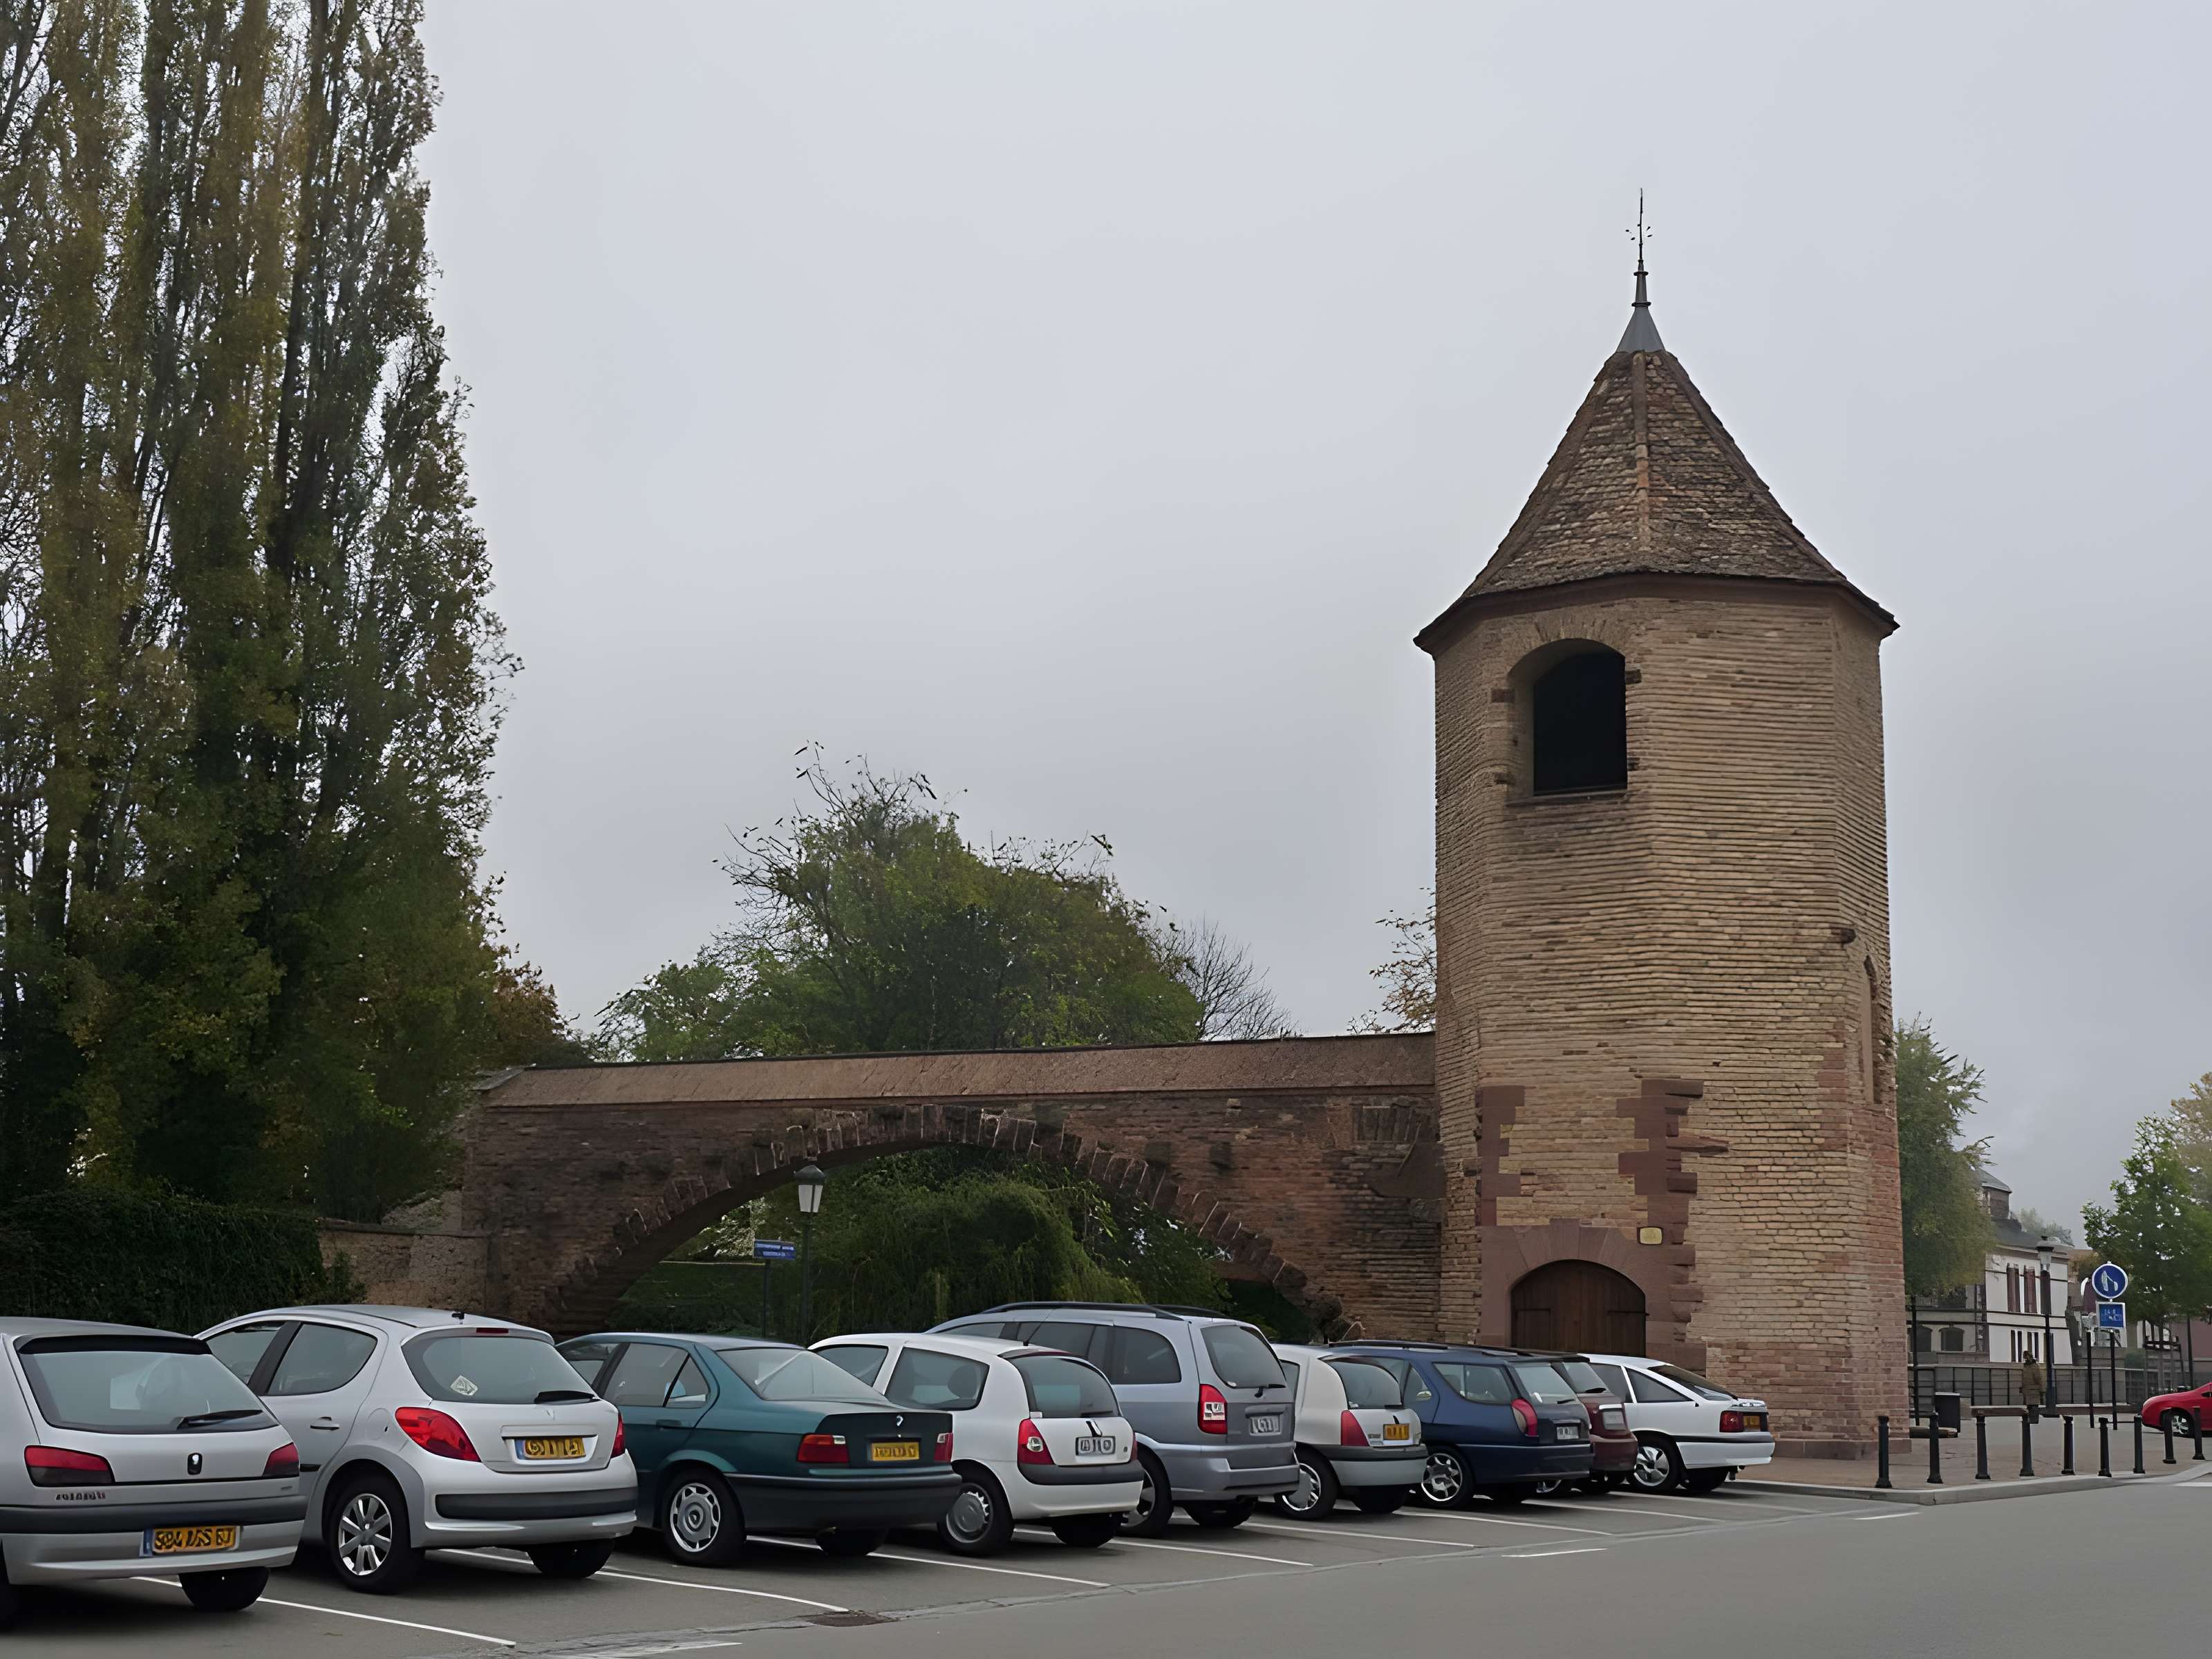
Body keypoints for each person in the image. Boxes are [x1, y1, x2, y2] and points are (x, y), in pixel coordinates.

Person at [2020, 1351, 2046, 1422]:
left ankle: (2033, 1421)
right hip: (2028, 1390)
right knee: (2029, 1407)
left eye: (2026, 1357)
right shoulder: (2025, 1366)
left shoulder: (2035, 1366)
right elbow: (2023, 1378)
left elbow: (2039, 1379)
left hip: (2034, 1390)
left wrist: (2041, 1390)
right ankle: (2030, 1421)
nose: (2025, 1358)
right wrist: (2022, 1388)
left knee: (2033, 1407)